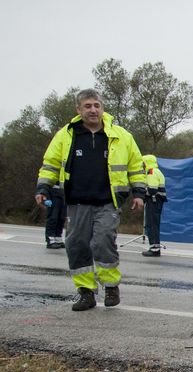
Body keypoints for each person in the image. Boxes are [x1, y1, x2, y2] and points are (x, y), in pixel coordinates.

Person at [35, 89, 146, 311]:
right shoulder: (66, 135)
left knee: (103, 241)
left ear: (102, 108)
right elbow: (51, 163)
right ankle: (86, 292)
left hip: (108, 201)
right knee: (76, 245)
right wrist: (43, 187)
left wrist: (139, 193)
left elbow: (136, 165)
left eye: (96, 105)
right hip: (77, 202)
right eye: (88, 106)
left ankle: (111, 286)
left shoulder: (122, 136)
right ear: (78, 110)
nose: (93, 110)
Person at [141, 154, 166, 257]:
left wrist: (141, 192)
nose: (141, 166)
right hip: (156, 201)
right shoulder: (156, 171)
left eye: (142, 163)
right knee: (154, 225)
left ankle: (154, 249)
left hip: (153, 201)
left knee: (151, 225)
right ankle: (155, 247)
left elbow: (152, 189)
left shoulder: (151, 172)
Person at [41, 181, 67, 249]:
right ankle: (50, 240)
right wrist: (45, 196)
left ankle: (58, 238)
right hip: (52, 195)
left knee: (61, 218)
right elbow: (44, 183)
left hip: (62, 194)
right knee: (53, 217)